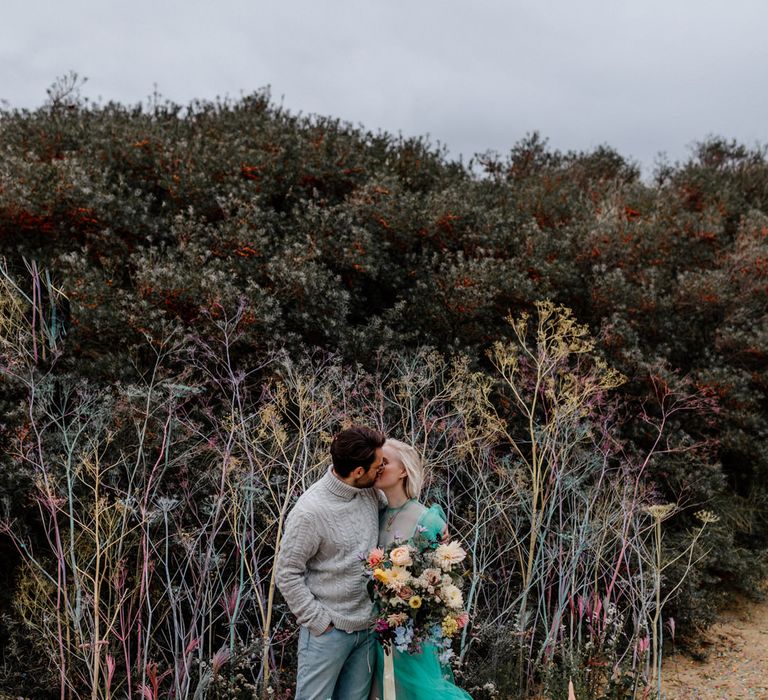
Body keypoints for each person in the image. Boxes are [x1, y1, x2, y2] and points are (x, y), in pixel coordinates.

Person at [276, 425, 387, 700]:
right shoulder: (310, 512)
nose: (381, 471)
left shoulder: (370, 493)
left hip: (367, 630)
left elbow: (398, 516)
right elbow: (287, 573)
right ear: (358, 471)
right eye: (377, 467)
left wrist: (432, 527)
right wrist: (318, 621)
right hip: (328, 632)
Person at [371, 438, 472, 699]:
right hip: (377, 629)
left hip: (412, 633)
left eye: (385, 462)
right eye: (376, 462)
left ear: (403, 470)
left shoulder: (426, 519)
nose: (378, 467)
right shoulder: (375, 512)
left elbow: (443, 578)